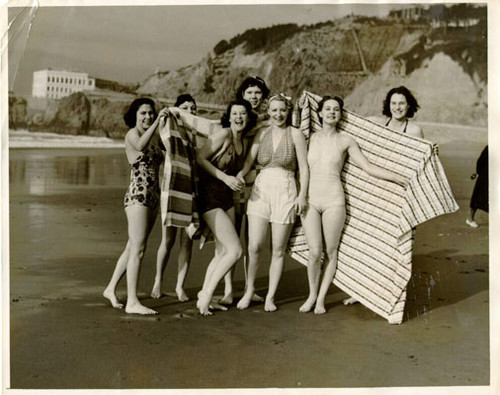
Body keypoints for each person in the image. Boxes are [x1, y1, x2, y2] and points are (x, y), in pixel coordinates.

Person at [297, 96, 406, 314]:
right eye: (327, 109)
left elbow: (367, 166)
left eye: (336, 109)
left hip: (334, 201)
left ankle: (320, 299)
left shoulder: (346, 140)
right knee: (314, 251)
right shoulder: (308, 138)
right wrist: (298, 109)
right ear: (319, 113)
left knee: (330, 250)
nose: (331, 113)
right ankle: (311, 295)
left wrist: (396, 177)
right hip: (310, 199)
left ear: (340, 114)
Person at [170, 99, 257, 315]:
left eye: (243, 114)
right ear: (229, 116)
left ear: (248, 117)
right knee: (235, 251)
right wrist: (225, 178)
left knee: (221, 252)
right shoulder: (224, 134)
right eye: (235, 113)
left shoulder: (244, 141)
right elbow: (200, 159)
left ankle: (203, 296)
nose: (239, 117)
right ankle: (207, 295)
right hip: (209, 196)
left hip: (227, 196)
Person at [236, 92, 309, 312]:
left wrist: (302, 195)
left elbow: (304, 168)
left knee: (277, 248)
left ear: (288, 111)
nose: (279, 114)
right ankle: (249, 291)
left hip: (286, 189)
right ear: (269, 111)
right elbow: (249, 162)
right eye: (274, 110)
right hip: (261, 188)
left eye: (283, 110)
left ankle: (270, 296)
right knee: (254, 245)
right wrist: (240, 174)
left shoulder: (296, 134)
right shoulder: (261, 133)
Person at [103, 98, 168, 315]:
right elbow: (140, 146)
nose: (148, 117)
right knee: (139, 249)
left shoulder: (155, 137)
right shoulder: (132, 134)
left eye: (151, 113)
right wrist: (158, 121)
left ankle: (111, 288)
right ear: (135, 115)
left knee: (133, 246)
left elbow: (169, 155)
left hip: (153, 196)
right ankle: (132, 301)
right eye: (144, 114)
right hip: (137, 196)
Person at [151, 94, 198, 301]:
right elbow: (161, 128)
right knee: (168, 240)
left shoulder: (198, 134)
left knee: (187, 241)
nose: (191, 111)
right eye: (186, 107)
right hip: (172, 187)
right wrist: (170, 113)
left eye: (193, 108)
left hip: (193, 189)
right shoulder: (169, 128)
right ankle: (158, 281)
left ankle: (180, 286)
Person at [466, 145, 488, 227]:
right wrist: (478, 172)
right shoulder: (491, 147)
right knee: (477, 198)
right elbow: (481, 161)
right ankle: (470, 218)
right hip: (485, 176)